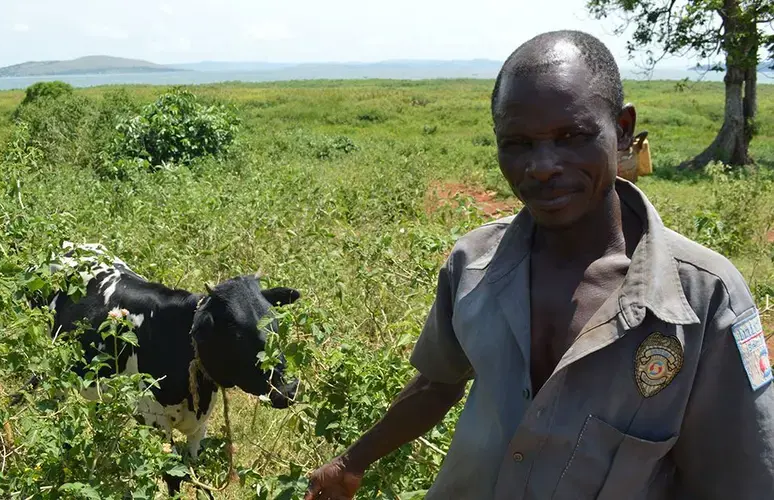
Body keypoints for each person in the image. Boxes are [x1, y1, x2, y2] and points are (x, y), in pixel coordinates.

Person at [304, 30, 774, 500]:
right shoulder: (473, 265)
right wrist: (350, 462)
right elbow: (437, 382)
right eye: (518, 143)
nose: (543, 165)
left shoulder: (702, 298)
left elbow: (739, 477)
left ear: (624, 130)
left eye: (572, 136)